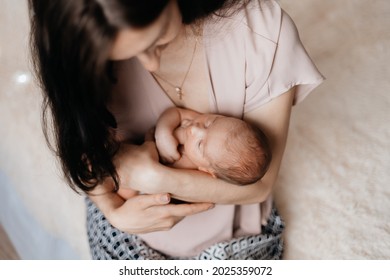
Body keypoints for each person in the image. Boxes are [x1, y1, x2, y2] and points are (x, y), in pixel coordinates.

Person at [28, 0, 324, 259]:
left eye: (156, 39)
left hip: (234, 238)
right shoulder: (82, 55)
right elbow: (87, 156)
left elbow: (259, 185)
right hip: (130, 229)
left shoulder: (260, 32)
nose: (151, 63)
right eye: (123, 56)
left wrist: (157, 177)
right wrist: (113, 213)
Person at [117, 106, 272, 199]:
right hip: (135, 149)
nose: (194, 129)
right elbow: (176, 112)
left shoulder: (193, 172)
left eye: (200, 145)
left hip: (143, 182)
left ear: (207, 170)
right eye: (211, 122)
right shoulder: (194, 120)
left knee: (127, 191)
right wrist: (163, 133)